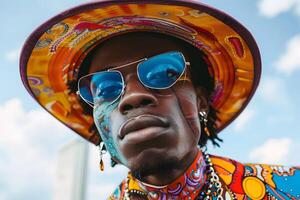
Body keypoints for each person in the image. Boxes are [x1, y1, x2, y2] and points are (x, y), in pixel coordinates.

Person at [20, 0, 299, 199]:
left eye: (165, 72)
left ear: (201, 100)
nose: (133, 97)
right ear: (98, 127)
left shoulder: (288, 188)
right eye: (104, 89)